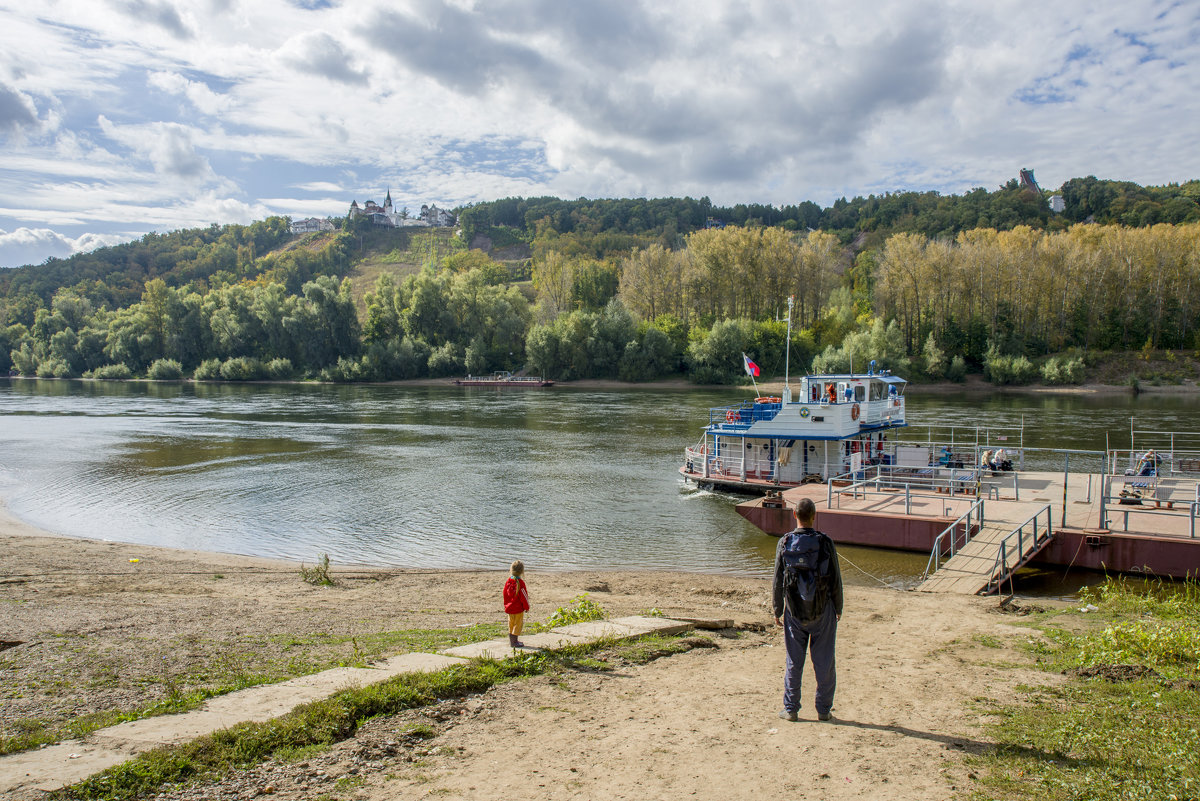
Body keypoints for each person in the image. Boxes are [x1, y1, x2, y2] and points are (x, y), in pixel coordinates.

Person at [772, 497, 843, 722]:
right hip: (823, 609)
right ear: (814, 515)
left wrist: (777, 609)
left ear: (795, 515)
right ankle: (823, 710)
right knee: (824, 660)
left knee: (794, 660)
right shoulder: (825, 542)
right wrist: (838, 606)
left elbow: (777, 579)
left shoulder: (785, 542)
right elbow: (836, 578)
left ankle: (791, 708)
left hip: (794, 610)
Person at [503, 560, 531, 648]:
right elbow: (524, 597)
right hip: (518, 609)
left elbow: (505, 593)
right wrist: (527, 607)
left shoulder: (509, 581)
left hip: (510, 607)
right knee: (518, 624)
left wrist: (506, 604)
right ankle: (514, 642)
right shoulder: (520, 583)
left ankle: (512, 640)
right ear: (522, 571)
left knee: (511, 623)